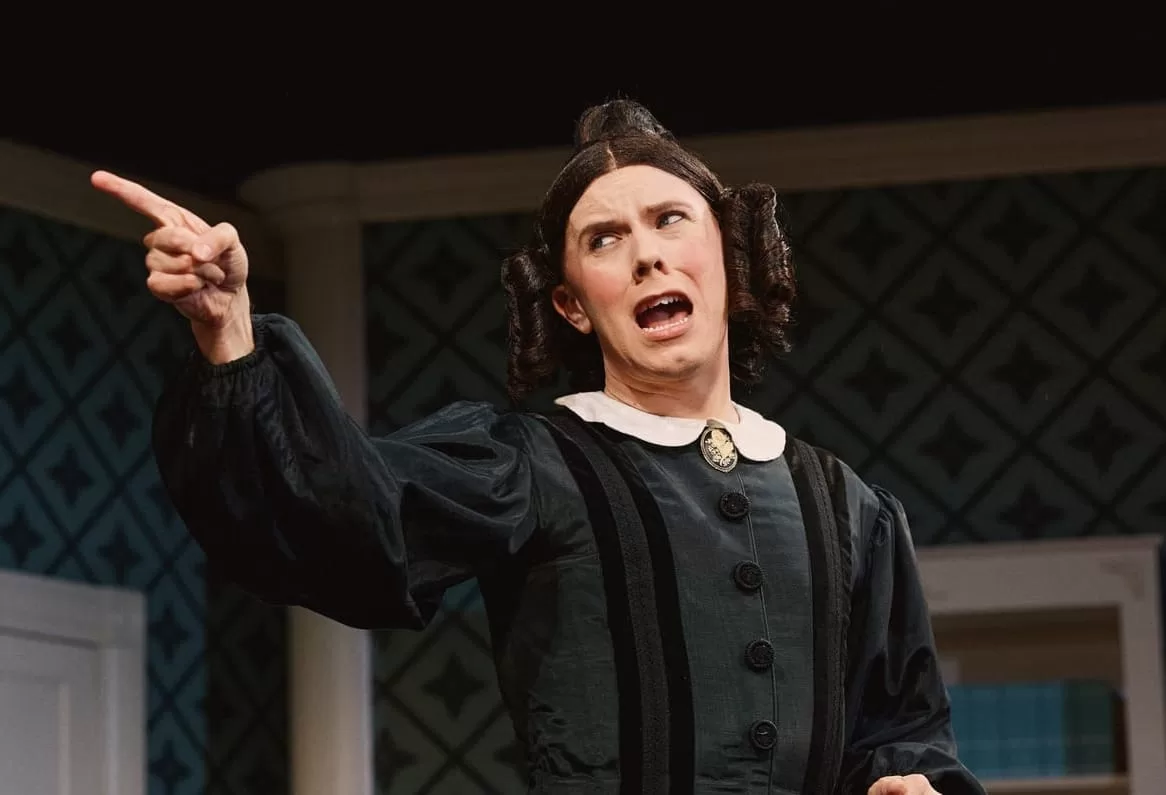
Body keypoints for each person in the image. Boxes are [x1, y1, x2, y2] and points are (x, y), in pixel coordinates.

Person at [92, 100, 984, 795]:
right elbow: (344, 521)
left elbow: (902, 726)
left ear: (732, 262)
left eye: (671, 220)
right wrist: (230, 331)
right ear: (570, 302)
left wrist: (909, 780)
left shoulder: (848, 508)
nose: (646, 257)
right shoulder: (536, 463)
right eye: (605, 239)